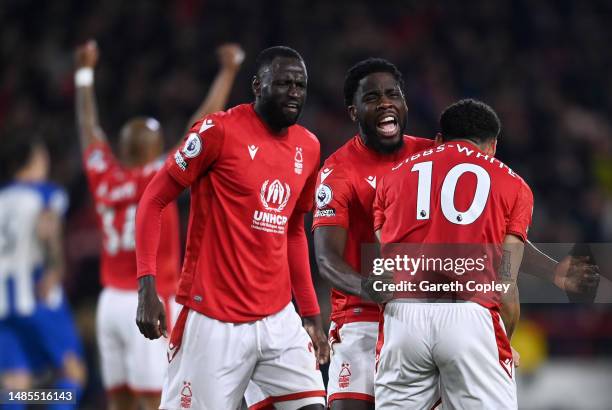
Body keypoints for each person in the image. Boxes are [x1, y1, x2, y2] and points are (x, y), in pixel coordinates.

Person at [313, 59, 600, 410]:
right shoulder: (338, 172)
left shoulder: (431, 153)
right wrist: (368, 287)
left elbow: (491, 234)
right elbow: (327, 258)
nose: (386, 102)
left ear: (405, 103)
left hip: (410, 316)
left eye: (393, 94)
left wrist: (553, 271)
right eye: (373, 97)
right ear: (353, 111)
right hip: (362, 315)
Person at [135, 46, 327, 410]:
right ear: (257, 85)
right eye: (283, 83)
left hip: (278, 318)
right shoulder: (217, 132)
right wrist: (147, 285)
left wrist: (311, 313)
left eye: (300, 85)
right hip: (213, 320)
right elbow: (153, 200)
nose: (294, 92)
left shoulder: (309, 147)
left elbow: (293, 231)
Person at [74, 39, 244, 410]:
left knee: (118, 401)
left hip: (109, 304)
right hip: (149, 300)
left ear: (122, 149)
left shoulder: (105, 176)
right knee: (155, 400)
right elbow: (201, 123)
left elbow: (89, 129)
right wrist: (228, 71)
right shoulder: (158, 175)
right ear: (155, 149)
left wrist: (84, 74)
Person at [372, 98, 528, 408]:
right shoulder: (514, 185)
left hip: (403, 317)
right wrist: (503, 341)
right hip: (471, 316)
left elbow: (385, 261)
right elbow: (505, 282)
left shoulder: (392, 179)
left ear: (440, 139)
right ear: (493, 145)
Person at [0, 136, 87, 410]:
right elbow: (47, 226)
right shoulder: (46, 192)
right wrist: (55, 267)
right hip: (37, 293)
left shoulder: (2, 198)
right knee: (73, 372)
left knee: (16, 384)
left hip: (3, 302)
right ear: (36, 159)